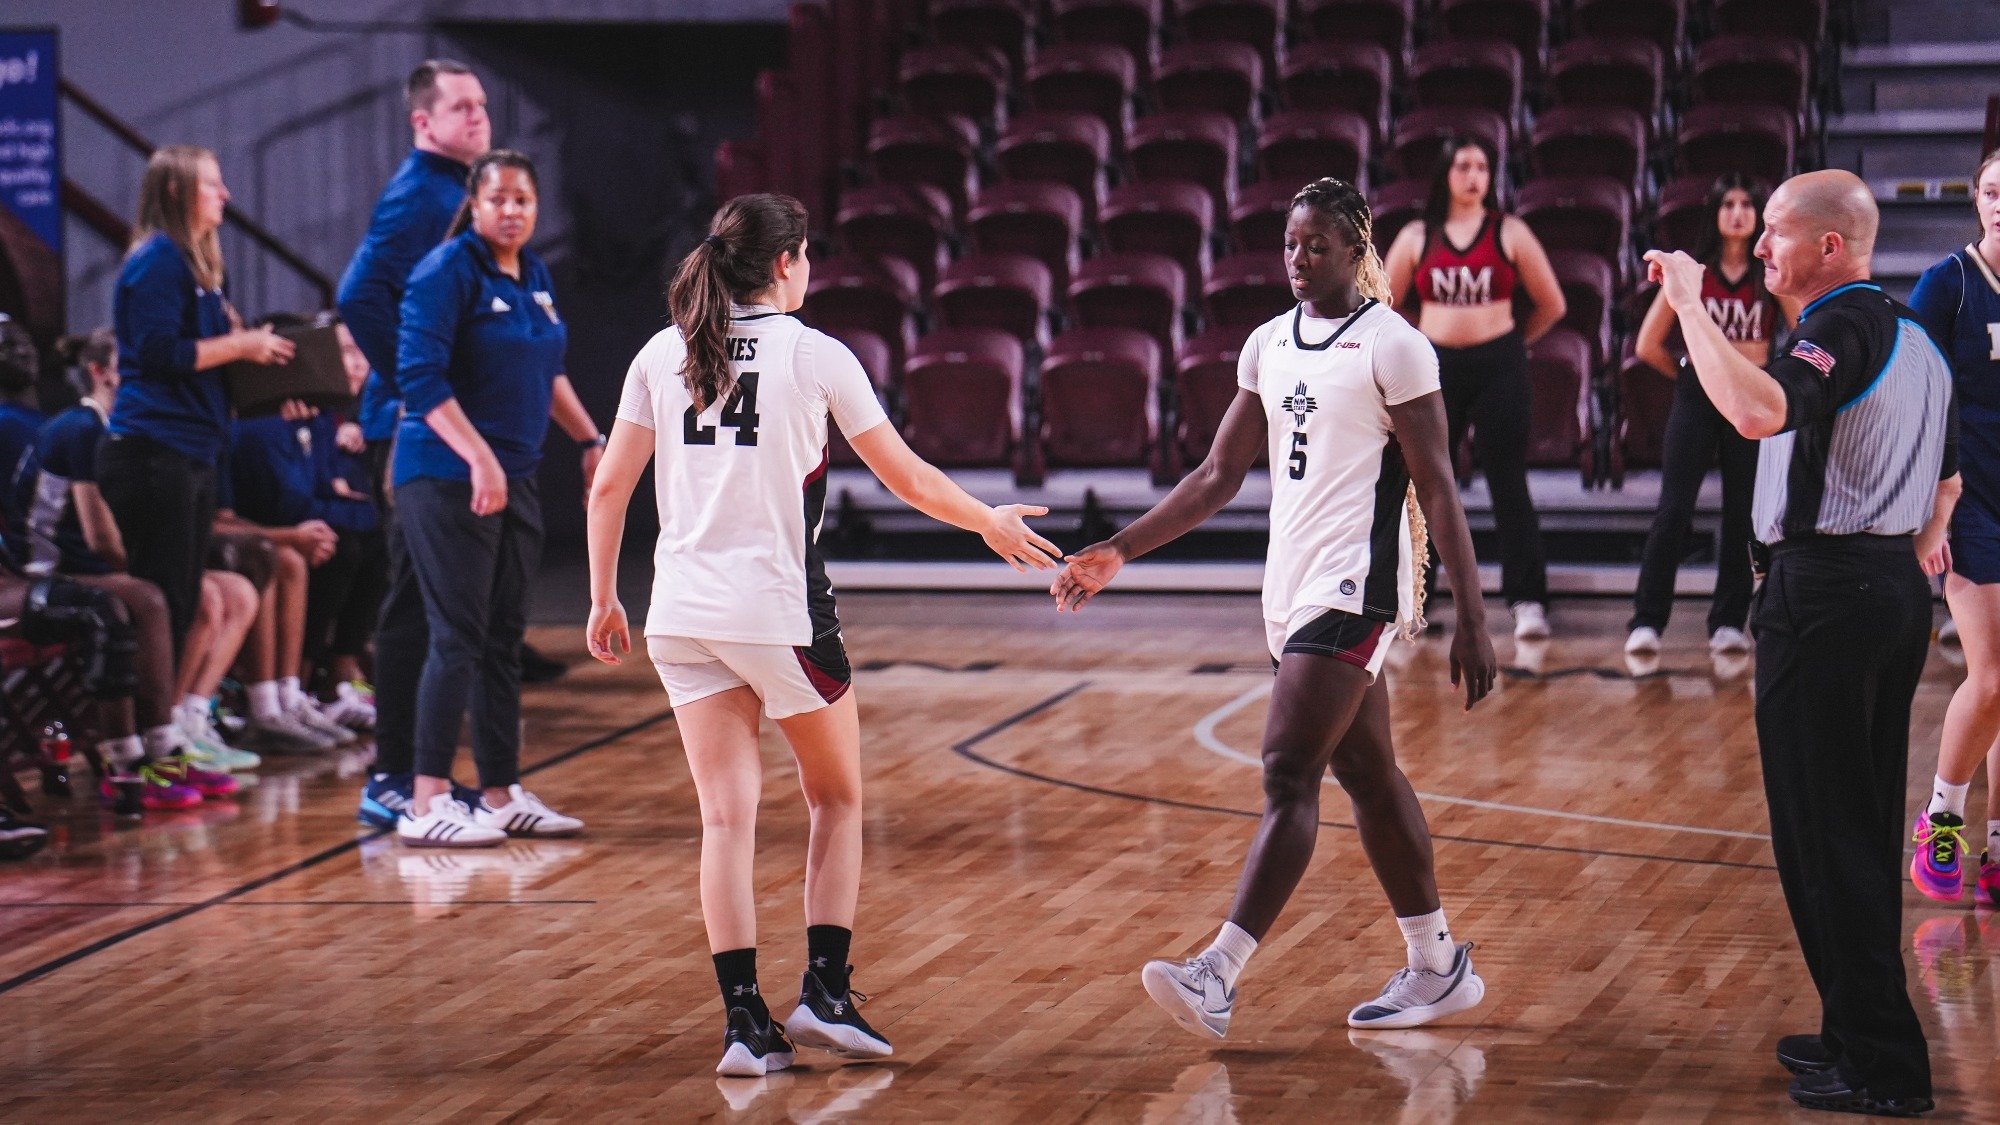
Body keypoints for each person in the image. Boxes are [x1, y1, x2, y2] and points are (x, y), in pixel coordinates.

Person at [583, 193, 1061, 1076]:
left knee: (724, 818)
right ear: (786, 261)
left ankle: (742, 1026)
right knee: (835, 799)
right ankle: (826, 994)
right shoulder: (816, 355)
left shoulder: (662, 350)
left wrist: (603, 597)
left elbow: (607, 487)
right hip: (778, 616)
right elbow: (908, 478)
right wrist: (988, 523)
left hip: (680, 615)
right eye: (806, 259)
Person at [1055, 179, 1499, 1040]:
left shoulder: (1395, 347)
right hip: (1288, 588)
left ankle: (1216, 971)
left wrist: (1473, 613)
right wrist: (1119, 549)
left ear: (1354, 247)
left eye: (1316, 246)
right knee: (1367, 775)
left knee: (1286, 771)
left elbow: (1439, 488)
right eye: (1289, 245)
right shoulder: (1267, 343)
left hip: (1355, 583)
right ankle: (1438, 965)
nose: (1298, 260)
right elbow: (1216, 476)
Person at [1645, 169, 1954, 1117]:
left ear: (1831, 245)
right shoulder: (1916, 338)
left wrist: (1691, 304)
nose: (1764, 246)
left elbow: (1754, 411)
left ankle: (1885, 1065)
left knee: (1829, 838)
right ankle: (1855, 1032)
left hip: (1827, 594)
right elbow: (1948, 475)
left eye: (1778, 231)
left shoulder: (1840, 327)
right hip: (1882, 589)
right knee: (1842, 828)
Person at [391, 149, 603, 848]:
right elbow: (419, 380)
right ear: (475, 207)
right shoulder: (446, 271)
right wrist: (478, 456)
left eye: (524, 201)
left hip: (515, 475)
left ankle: (501, 792)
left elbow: (548, 371)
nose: (512, 211)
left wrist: (591, 438)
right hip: (446, 475)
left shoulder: (535, 274)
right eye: (500, 200)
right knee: (456, 635)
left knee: (504, 639)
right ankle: (424, 801)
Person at [338, 59, 491, 827]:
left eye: (482, 105)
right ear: (423, 122)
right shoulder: (420, 192)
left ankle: (411, 771)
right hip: (403, 431)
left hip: (424, 425)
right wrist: (415, 387)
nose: (477, 116)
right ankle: (392, 774)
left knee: (431, 609)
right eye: (460, 107)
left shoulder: (456, 190)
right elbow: (357, 294)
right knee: (408, 608)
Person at [5, 329, 242, 806]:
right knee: (146, 597)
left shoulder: (122, 430)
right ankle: (132, 757)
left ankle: (166, 741)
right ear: (102, 372)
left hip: (75, 562)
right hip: (41, 567)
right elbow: (99, 537)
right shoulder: (82, 427)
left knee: (169, 592)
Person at [97, 144, 295, 657]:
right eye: (211, 183)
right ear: (175, 191)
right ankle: (150, 731)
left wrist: (261, 372)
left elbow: (205, 364)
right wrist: (241, 344)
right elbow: (160, 353)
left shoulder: (198, 268)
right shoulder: (159, 259)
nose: (225, 194)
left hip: (193, 449)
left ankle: (178, 721)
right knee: (165, 598)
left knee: (182, 600)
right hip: (156, 450)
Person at [1383, 136, 1566, 640]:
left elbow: (1552, 303)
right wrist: (1420, 343)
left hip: (1499, 365)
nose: (1473, 175)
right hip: (1434, 369)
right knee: (1427, 485)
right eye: (1463, 165)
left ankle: (1528, 601)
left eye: (1482, 166)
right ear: (1445, 173)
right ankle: (1412, 602)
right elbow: (1383, 302)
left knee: (1508, 483)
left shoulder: (1510, 231)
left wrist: (1507, 345)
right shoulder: (1419, 235)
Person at [1626, 175, 1781, 658]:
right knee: (1674, 509)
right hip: (1698, 393)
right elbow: (1646, 344)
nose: (1737, 212)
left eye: (1746, 203)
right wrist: (1690, 375)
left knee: (1742, 513)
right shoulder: (1693, 272)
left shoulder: (1771, 274)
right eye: (1727, 204)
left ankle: (1729, 623)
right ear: (1714, 214)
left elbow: (1803, 330)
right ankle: (1647, 621)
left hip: (1751, 394)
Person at [1908, 147, 2000, 908]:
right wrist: (1932, 510)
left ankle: (1998, 848)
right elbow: (1916, 396)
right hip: (1969, 499)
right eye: (1993, 191)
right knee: (1992, 671)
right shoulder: (1951, 284)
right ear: (1976, 200)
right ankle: (1942, 815)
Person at [0, 317, 45, 487]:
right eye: (9, 345)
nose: (23, 351)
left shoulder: (45, 421)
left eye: (27, 342)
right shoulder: (4, 423)